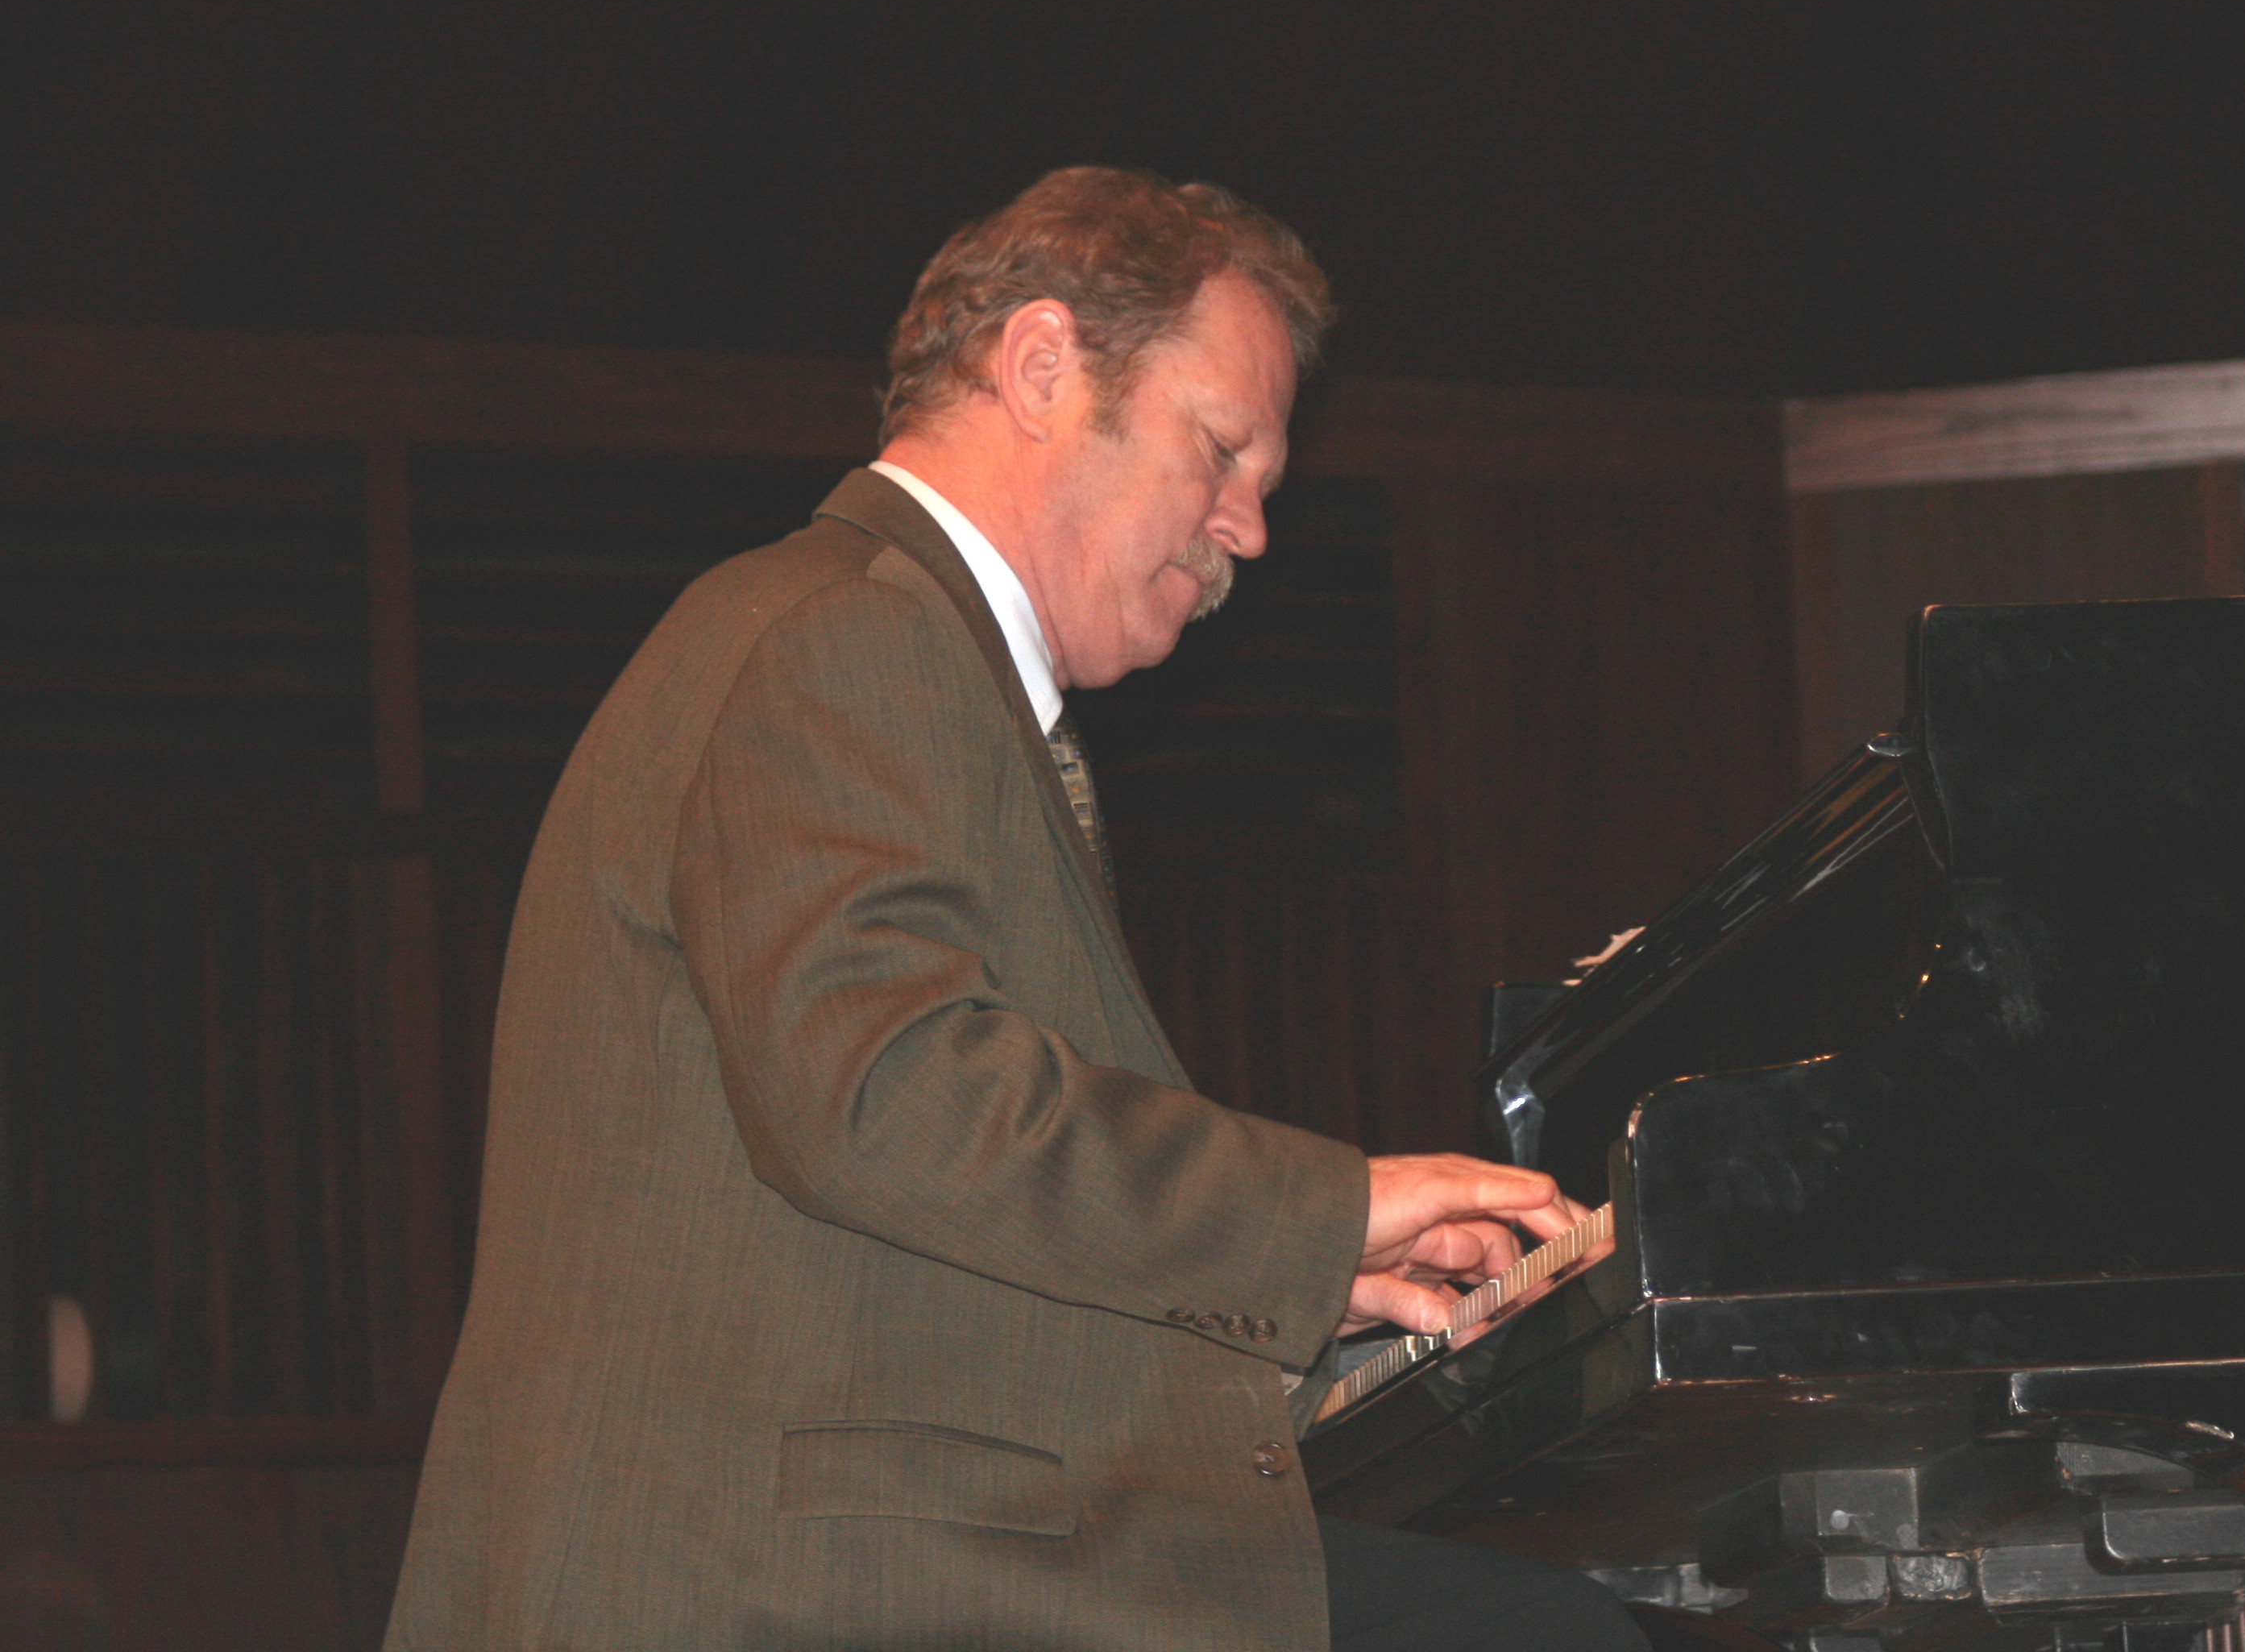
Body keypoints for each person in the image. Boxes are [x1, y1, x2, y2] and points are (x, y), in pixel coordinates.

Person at [384, 168, 1645, 1650]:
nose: (1247, 529)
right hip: (797, 1590)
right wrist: (1324, 1211)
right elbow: (882, 1096)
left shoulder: (881, 649)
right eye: (1222, 449)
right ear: (1044, 366)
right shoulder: (848, 633)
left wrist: (1327, 1307)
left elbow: (929, 1226)